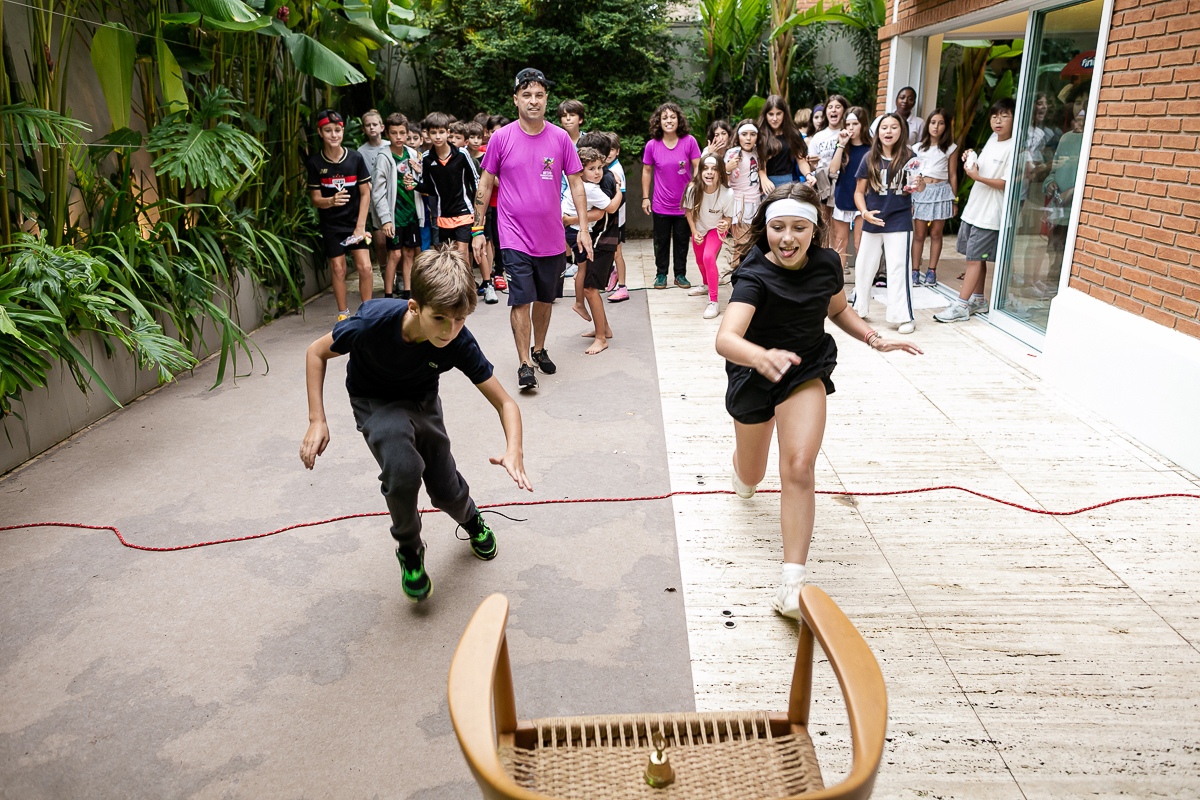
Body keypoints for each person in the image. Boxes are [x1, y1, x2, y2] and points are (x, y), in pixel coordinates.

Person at [716, 182, 922, 617]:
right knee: (752, 475)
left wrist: (871, 336)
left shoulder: (828, 264)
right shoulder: (753, 275)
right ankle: (740, 468)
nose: (786, 238)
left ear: (815, 230)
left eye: (797, 228)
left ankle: (792, 584)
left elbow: (836, 309)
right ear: (765, 228)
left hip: (804, 369)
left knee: (798, 467)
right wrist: (761, 356)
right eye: (776, 228)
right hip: (754, 375)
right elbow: (727, 338)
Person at [299, 247, 532, 603]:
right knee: (402, 467)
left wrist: (514, 449)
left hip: (422, 401)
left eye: (459, 320)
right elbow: (316, 352)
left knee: (444, 489)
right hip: (374, 400)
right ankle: (409, 550)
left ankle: (472, 521)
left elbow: (506, 402)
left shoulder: (457, 342)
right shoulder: (370, 324)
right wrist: (317, 419)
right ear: (414, 307)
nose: (449, 330)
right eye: (439, 318)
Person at [472, 68, 590, 390]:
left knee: (545, 299)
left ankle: (539, 349)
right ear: (516, 100)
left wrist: (582, 227)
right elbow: (484, 184)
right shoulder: (501, 138)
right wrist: (477, 230)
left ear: (546, 99)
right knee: (521, 300)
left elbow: (577, 184)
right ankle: (525, 363)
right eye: (527, 95)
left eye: (539, 95)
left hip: (551, 237)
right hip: (513, 235)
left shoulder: (560, 138)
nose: (533, 101)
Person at [934, 98, 1016, 323]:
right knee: (976, 259)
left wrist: (976, 177)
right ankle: (978, 300)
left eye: (1005, 116)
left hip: (990, 215)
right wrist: (971, 158)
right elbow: (984, 167)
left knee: (974, 261)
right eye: (994, 116)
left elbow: (1006, 183)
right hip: (975, 210)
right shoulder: (992, 138)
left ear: (1015, 119)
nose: (998, 121)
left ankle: (961, 306)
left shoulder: (1014, 147)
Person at [852, 112, 925, 334]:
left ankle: (903, 316)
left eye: (894, 127)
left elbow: (917, 188)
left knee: (897, 269)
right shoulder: (868, 158)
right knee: (865, 266)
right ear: (877, 132)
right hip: (872, 219)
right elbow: (858, 192)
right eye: (885, 127)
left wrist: (920, 184)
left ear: (901, 131)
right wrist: (864, 213)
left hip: (899, 220)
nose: (889, 131)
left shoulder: (909, 157)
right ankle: (859, 310)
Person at [417, 112, 495, 304]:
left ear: (448, 133)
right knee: (449, 254)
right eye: (433, 132)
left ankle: (487, 284)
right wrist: (413, 185)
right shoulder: (426, 159)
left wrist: (480, 211)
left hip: (466, 211)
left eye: (441, 132)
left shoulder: (462, 154)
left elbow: (476, 182)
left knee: (468, 250)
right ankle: (460, 289)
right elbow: (428, 188)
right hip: (443, 215)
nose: (437, 136)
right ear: (427, 133)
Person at [306, 109, 373, 323]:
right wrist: (331, 201)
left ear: (342, 132)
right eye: (328, 131)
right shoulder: (316, 163)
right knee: (338, 268)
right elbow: (315, 199)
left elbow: (365, 193)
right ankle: (344, 314)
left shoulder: (355, 158)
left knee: (365, 266)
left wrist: (360, 226)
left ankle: (367, 312)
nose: (333, 135)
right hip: (332, 225)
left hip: (356, 223)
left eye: (337, 130)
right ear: (320, 132)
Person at [562, 145, 621, 354]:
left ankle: (602, 334)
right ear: (581, 171)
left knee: (588, 283)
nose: (597, 172)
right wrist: (618, 191)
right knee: (587, 281)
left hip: (588, 236)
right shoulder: (591, 189)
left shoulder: (581, 184)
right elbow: (611, 207)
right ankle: (601, 331)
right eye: (592, 169)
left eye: (599, 167)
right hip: (582, 235)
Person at [642, 101, 702, 289]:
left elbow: (698, 166)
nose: (669, 121)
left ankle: (680, 274)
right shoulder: (652, 145)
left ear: (679, 120)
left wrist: (696, 191)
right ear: (658, 122)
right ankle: (661, 275)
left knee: (682, 241)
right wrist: (645, 197)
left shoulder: (689, 141)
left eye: (673, 117)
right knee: (661, 242)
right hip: (660, 204)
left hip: (684, 205)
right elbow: (646, 171)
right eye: (665, 117)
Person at [371, 112, 424, 299]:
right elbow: (377, 192)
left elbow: (420, 181)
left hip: (411, 212)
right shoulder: (383, 157)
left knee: (409, 253)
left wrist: (419, 172)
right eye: (394, 133)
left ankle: (408, 293)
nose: (399, 137)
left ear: (407, 132)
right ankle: (388, 295)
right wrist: (385, 220)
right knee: (395, 255)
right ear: (388, 134)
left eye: (402, 133)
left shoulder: (412, 153)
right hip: (394, 215)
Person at [683, 153, 736, 319]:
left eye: (714, 169)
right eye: (705, 168)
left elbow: (728, 217)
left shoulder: (728, 193)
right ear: (700, 171)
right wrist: (694, 231)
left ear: (720, 172)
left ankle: (713, 301)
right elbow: (689, 212)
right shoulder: (692, 188)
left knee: (708, 257)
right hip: (699, 227)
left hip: (716, 228)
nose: (709, 172)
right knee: (700, 261)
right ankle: (705, 284)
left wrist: (726, 223)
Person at [910, 108, 957, 287]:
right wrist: (911, 199)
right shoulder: (918, 148)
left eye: (941, 123)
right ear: (927, 124)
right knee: (919, 235)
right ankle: (915, 270)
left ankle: (931, 271)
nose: (936, 126)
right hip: (922, 192)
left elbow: (953, 175)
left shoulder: (950, 148)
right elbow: (913, 173)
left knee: (936, 234)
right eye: (933, 122)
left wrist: (954, 200)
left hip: (942, 192)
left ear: (946, 126)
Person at [827, 106, 871, 267]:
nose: (851, 128)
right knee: (839, 243)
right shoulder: (843, 146)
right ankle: (839, 286)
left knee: (860, 243)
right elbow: (833, 169)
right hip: (843, 197)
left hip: (864, 201)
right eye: (848, 124)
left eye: (855, 124)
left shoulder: (872, 148)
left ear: (863, 125)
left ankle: (861, 286)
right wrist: (841, 144)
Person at [359, 109, 391, 274]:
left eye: (374, 124)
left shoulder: (390, 146)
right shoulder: (360, 152)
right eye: (368, 125)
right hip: (374, 203)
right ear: (363, 129)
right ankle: (384, 269)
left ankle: (398, 276)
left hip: (393, 199)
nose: (371, 128)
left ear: (382, 127)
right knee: (380, 242)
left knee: (395, 242)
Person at [806, 95, 848, 223]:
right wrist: (811, 163)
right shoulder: (818, 137)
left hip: (843, 181)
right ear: (826, 112)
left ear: (844, 111)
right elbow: (812, 168)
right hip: (823, 183)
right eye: (830, 107)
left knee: (839, 224)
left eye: (837, 107)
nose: (833, 110)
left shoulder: (847, 133)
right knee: (824, 223)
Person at [757, 95, 812, 191]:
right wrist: (763, 178)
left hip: (788, 181)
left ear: (784, 114)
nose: (774, 118)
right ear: (765, 115)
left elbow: (801, 160)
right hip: (766, 183)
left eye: (778, 114)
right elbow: (758, 161)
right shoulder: (759, 134)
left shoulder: (793, 133)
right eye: (771, 114)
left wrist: (808, 175)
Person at [604, 131, 632, 303]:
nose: (608, 153)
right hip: (608, 219)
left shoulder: (616, 170)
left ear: (617, 151)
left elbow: (620, 198)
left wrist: (609, 214)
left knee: (617, 253)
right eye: (605, 149)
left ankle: (623, 287)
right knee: (609, 252)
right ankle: (611, 272)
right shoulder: (606, 168)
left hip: (616, 220)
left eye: (611, 149)